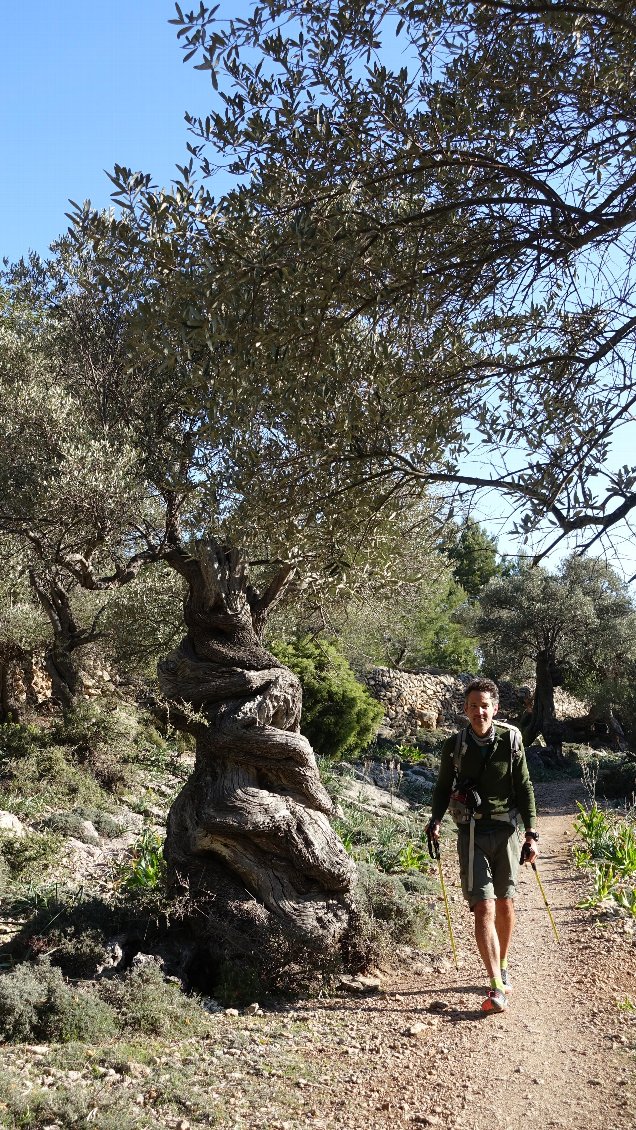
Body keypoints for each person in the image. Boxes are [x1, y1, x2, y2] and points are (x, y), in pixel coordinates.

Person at [426, 677, 538, 1014]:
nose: (479, 711)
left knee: (505, 904)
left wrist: (532, 833)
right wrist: (434, 820)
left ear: (496, 707)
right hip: (471, 833)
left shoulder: (512, 740)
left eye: (485, 705)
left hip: (506, 832)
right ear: (465, 709)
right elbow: (443, 787)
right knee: (483, 907)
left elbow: (525, 786)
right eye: (473, 706)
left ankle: (501, 963)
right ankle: (495, 986)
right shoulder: (454, 745)